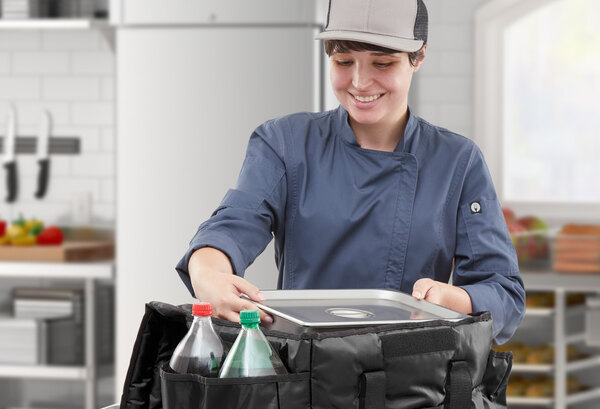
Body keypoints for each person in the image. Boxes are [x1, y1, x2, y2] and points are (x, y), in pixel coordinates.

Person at [176, 0, 525, 344]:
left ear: (418, 57)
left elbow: (503, 294)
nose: (360, 82)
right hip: (302, 377)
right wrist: (208, 272)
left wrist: (449, 301)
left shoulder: (456, 161)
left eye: (382, 63)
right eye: (344, 61)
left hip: (412, 383)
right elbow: (235, 223)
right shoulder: (285, 143)